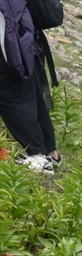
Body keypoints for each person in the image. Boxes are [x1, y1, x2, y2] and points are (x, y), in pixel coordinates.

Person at [0, 0, 59, 172]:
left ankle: (38, 155)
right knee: (32, 95)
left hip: (11, 41)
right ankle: (50, 153)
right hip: (22, 36)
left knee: (10, 95)